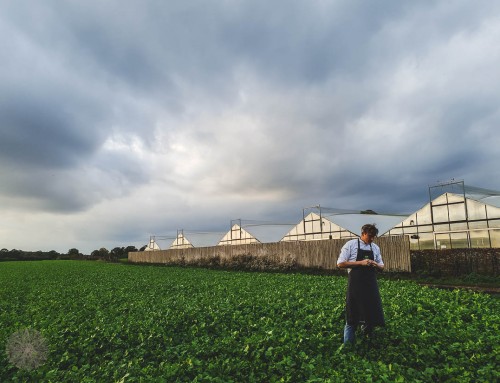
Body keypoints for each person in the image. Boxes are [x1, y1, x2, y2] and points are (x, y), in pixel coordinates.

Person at [337, 223, 385, 345]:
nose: (372, 239)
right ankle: (348, 345)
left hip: (370, 285)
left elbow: (382, 266)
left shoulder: (375, 247)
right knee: (353, 313)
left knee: (371, 311)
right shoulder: (350, 245)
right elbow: (340, 264)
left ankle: (369, 340)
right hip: (356, 286)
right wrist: (361, 263)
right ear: (362, 234)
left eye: (374, 236)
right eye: (370, 236)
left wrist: (375, 264)